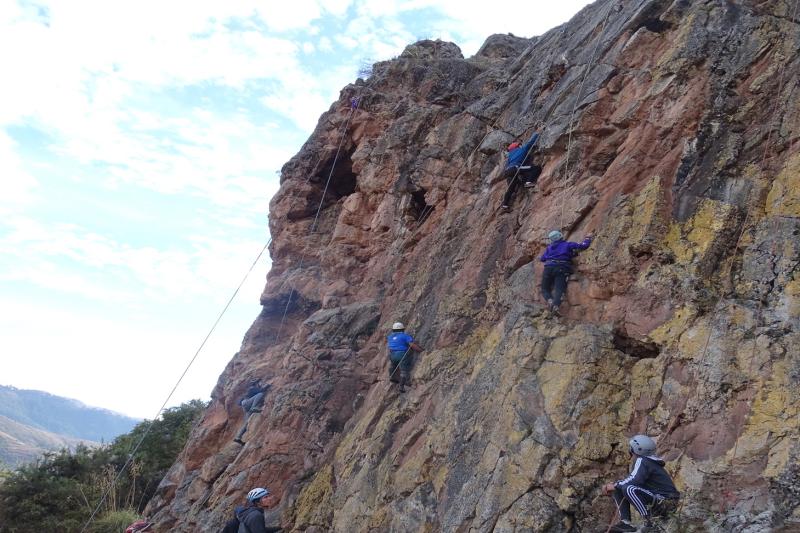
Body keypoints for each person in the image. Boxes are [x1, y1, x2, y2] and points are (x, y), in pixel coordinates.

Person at [602, 435, 680, 532]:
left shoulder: (642, 460)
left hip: (665, 502)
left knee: (628, 488)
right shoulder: (649, 462)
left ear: (634, 449)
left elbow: (634, 481)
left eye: (631, 449)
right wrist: (616, 485)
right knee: (620, 487)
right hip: (664, 502)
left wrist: (614, 485)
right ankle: (625, 523)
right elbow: (632, 481)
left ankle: (649, 523)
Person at [539, 230, 592, 315]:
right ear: (560, 236)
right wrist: (588, 238)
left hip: (548, 268)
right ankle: (555, 306)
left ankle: (550, 300)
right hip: (562, 268)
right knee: (559, 290)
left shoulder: (549, 248)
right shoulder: (568, 245)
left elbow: (542, 259)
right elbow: (583, 246)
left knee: (545, 289)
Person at [501, 131, 542, 211]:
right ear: (517, 146)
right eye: (520, 145)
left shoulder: (510, 156)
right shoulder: (521, 150)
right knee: (536, 168)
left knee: (511, 188)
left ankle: (505, 204)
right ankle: (528, 182)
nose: (521, 145)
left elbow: (507, 165)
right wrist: (537, 133)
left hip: (508, 171)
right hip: (516, 168)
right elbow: (530, 143)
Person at [386, 322, 424, 393]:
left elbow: (390, 347)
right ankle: (401, 386)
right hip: (402, 354)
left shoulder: (390, 337)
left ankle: (392, 376)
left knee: (393, 365)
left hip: (393, 355)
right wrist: (421, 350)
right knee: (404, 370)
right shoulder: (405, 336)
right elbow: (412, 345)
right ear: (402, 329)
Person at [233, 379, 271, 445]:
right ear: (256, 383)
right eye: (258, 383)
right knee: (260, 394)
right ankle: (254, 407)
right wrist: (267, 386)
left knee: (247, 423)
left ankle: (238, 437)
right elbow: (261, 391)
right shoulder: (252, 388)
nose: (259, 384)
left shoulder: (251, 389)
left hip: (246, 406)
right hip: (247, 403)